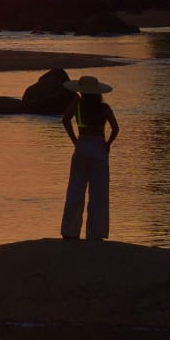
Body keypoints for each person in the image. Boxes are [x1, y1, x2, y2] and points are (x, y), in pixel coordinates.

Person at [60, 75, 119, 241]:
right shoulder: (104, 107)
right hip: (99, 147)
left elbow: (65, 120)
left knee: (75, 189)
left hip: (82, 146)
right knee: (98, 192)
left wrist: (75, 140)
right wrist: (108, 144)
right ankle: (96, 233)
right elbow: (115, 128)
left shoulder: (77, 104)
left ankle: (70, 231)